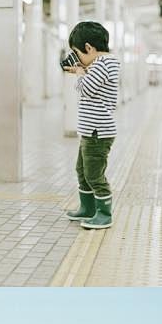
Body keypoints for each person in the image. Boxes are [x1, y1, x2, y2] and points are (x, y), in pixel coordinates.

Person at [61, 20, 119, 231]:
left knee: (94, 174)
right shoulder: (98, 65)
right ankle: (87, 208)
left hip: (98, 132)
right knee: (82, 170)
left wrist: (79, 74)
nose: (79, 58)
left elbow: (86, 89)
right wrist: (83, 70)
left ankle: (104, 214)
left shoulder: (104, 64)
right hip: (91, 131)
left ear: (89, 48)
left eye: (78, 53)